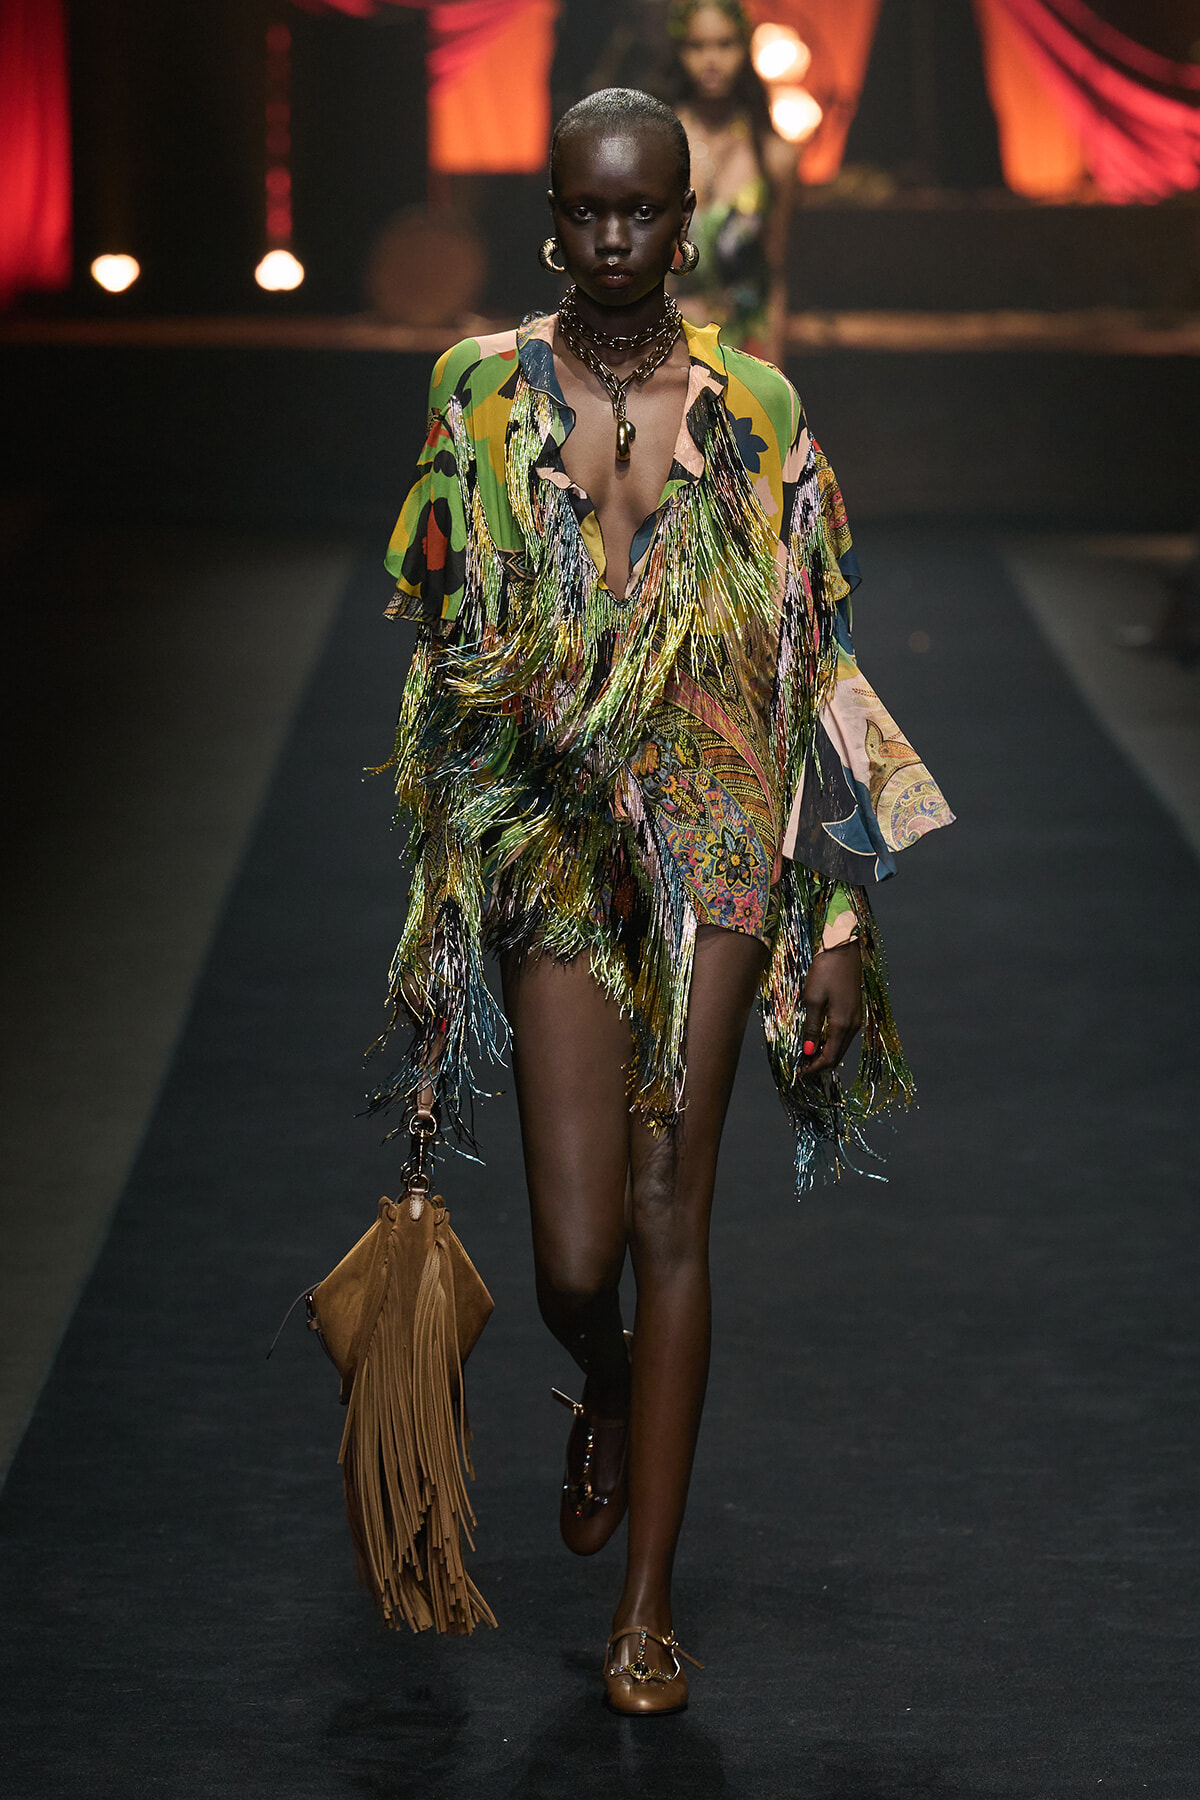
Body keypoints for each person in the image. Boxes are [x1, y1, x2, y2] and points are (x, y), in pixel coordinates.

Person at [375, 88, 952, 1715]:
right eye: (588, 214)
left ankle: (645, 1609)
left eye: (643, 215)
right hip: (555, 840)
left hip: (711, 826)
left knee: (666, 1206)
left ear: (684, 223)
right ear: (552, 219)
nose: (615, 241)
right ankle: (607, 1390)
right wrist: (437, 901)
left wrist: (836, 915)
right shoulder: (480, 391)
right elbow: (441, 659)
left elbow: (811, 657)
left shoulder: (757, 405)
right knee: (571, 1258)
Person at [660, 0, 795, 363]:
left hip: (745, 350)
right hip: (668, 347)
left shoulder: (774, 156)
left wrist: (776, 377)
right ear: (679, 51)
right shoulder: (658, 146)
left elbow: (775, 272)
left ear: (745, 46)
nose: (711, 60)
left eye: (725, 44)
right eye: (697, 45)